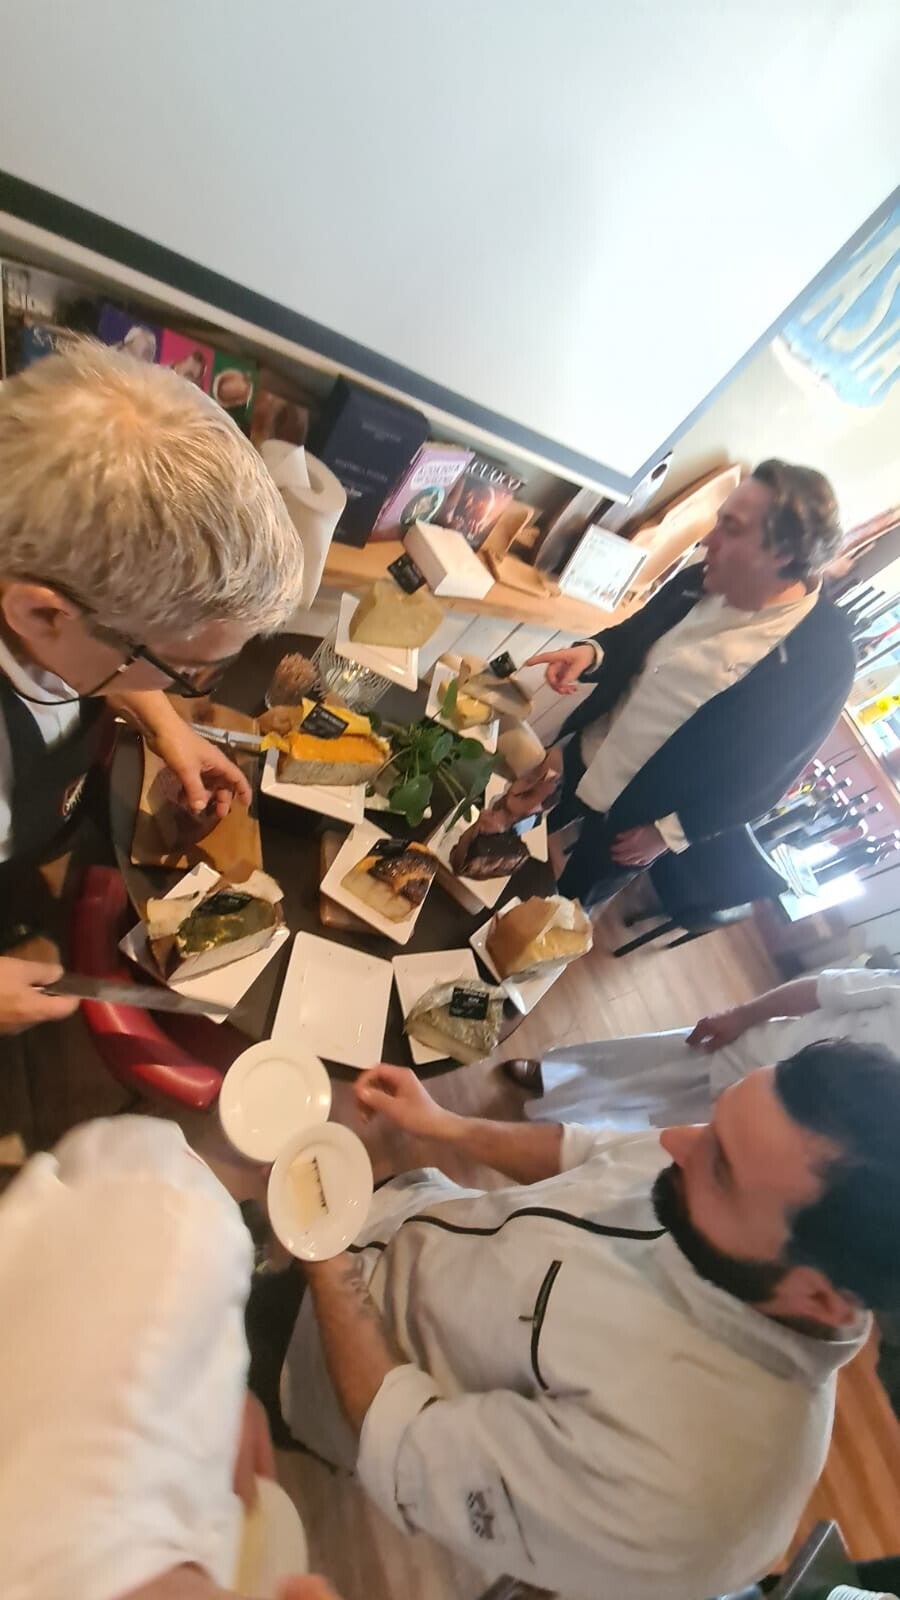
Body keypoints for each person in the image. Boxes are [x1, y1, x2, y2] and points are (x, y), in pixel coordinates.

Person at [282, 1043, 900, 1599]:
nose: (675, 1143)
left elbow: (403, 1439)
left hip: (321, 1354)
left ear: (823, 1299)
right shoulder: (727, 1166)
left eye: (720, 1170)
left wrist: (321, 1252)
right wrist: (445, 1124)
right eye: (713, 1119)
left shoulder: (689, 1494)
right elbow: (589, 1156)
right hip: (399, 1212)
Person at [0, 339, 306, 1033]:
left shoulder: (44, 569)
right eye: (180, 670)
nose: (187, 689)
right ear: (42, 613)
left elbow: (98, 649)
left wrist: (166, 724)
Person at [0, 1114, 339, 1600]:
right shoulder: (186, 1243)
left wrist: (200, 1356)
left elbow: (138, 1161)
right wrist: (207, 1375)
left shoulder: (186, 1236)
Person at [526, 461, 854, 909]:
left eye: (731, 528)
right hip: (583, 754)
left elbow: (763, 779)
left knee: (562, 910)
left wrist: (671, 833)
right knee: (507, 834)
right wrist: (592, 652)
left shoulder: (822, 660)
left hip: (640, 816)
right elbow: (636, 634)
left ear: (782, 553)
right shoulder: (705, 577)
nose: (707, 540)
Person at [512, 964, 900, 1130]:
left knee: (644, 1132)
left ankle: (550, 1137)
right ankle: (554, 1077)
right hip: (756, 1050)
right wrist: (742, 1015)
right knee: (635, 1066)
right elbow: (821, 989)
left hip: (782, 1123)